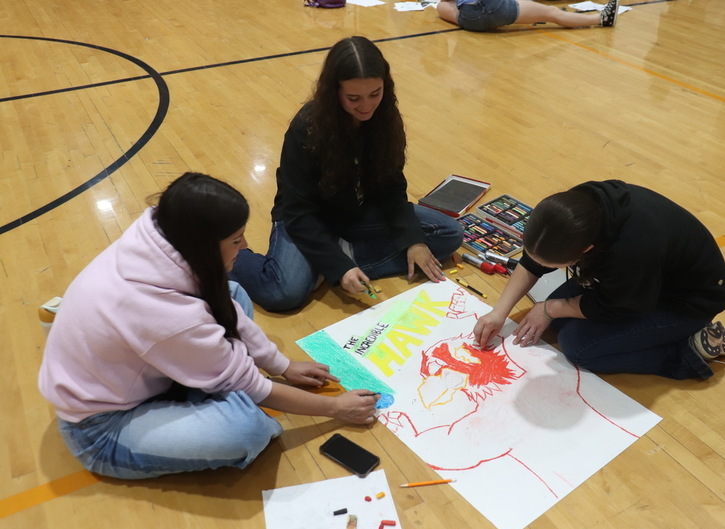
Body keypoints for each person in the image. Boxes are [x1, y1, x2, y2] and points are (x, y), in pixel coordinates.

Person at [38, 173, 379, 480]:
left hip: (138, 368)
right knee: (248, 432)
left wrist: (283, 366)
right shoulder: (167, 314)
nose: (245, 247)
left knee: (234, 292)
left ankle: (205, 377)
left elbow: (223, 303)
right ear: (202, 244)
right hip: (100, 430)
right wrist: (336, 408)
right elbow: (252, 386)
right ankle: (207, 384)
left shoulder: (160, 234)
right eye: (236, 240)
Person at [230, 36, 464, 312]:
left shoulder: (385, 117)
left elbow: (391, 189)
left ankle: (331, 261)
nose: (366, 106)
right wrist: (339, 267)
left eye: (375, 94)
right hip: (308, 220)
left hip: (356, 216)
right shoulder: (306, 128)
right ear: (334, 92)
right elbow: (297, 211)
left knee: (448, 233)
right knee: (283, 293)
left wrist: (413, 241)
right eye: (354, 98)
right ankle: (221, 254)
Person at [473, 180, 725, 380]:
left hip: (685, 301)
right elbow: (533, 261)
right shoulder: (574, 209)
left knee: (579, 347)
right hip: (638, 281)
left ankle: (687, 353)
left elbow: (621, 305)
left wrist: (550, 308)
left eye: (553, 266)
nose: (543, 267)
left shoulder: (632, 248)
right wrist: (499, 313)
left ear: (586, 250)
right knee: (554, 315)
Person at [437, 0, 621, 32]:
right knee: (552, 12)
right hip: (497, 8)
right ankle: (601, 19)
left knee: (441, 6)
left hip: (471, 18)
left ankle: (532, 15)